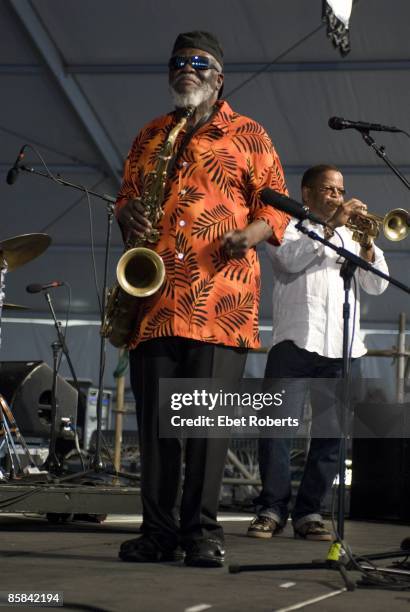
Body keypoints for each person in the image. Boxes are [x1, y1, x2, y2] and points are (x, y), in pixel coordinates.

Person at [114, 31, 289, 567]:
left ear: (218, 76)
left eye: (197, 62)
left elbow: (277, 205)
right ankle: (159, 532)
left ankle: (201, 534)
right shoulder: (150, 135)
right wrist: (126, 215)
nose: (185, 69)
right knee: (158, 429)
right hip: (155, 301)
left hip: (221, 303)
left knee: (206, 430)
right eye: (177, 63)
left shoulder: (249, 134)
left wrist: (252, 234)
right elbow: (125, 196)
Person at [247, 164, 389, 541]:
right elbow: (287, 262)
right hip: (294, 343)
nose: (336, 197)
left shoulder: (353, 235)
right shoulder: (288, 226)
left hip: (344, 348)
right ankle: (271, 508)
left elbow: (377, 286)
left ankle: (309, 512)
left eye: (340, 191)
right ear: (306, 193)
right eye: (328, 190)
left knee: (333, 436)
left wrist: (367, 245)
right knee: (276, 431)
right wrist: (328, 228)